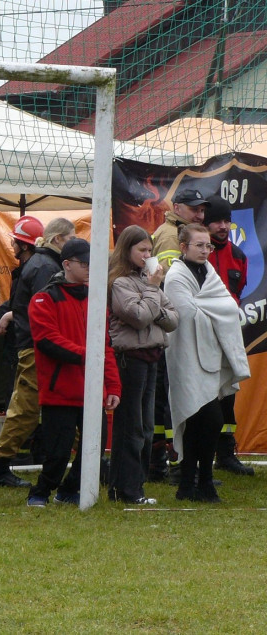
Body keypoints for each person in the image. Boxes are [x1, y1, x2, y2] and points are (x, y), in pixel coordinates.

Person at [26, 238, 121, 507]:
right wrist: (87, 355)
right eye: (84, 263)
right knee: (57, 452)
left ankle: (68, 490)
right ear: (67, 264)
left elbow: (106, 346)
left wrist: (113, 385)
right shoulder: (44, 298)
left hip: (93, 389)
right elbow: (47, 340)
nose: (90, 268)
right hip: (60, 391)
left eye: (93, 263)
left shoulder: (96, 299)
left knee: (95, 449)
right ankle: (41, 491)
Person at [164, 224, 250, 503]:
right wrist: (217, 315)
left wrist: (214, 312)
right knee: (202, 419)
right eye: (199, 245)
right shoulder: (176, 277)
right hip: (187, 357)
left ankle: (195, 484)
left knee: (205, 422)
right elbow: (188, 316)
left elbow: (227, 307)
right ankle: (197, 482)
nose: (205, 251)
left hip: (210, 358)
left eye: (208, 246)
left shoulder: (209, 272)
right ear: (183, 247)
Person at [0, 217, 75, 487]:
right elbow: (45, 310)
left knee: (49, 407)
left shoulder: (39, 264)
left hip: (36, 346)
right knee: (25, 409)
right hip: (38, 349)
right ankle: (0, 468)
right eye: (71, 239)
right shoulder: (46, 267)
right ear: (58, 239)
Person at [107, 225, 178, 505]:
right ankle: (127, 490)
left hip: (152, 356)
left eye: (150, 249)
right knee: (131, 426)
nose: (148, 255)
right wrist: (152, 291)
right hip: (130, 360)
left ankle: (132, 486)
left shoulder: (147, 282)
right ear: (127, 250)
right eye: (142, 250)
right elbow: (137, 317)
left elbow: (173, 319)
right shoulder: (120, 283)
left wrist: (151, 305)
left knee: (146, 427)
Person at [150, 188, 208, 482]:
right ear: (177, 207)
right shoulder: (172, 237)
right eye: (194, 208)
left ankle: (159, 463)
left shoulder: (176, 233)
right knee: (173, 396)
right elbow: (175, 289)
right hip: (172, 330)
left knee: (163, 397)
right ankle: (176, 465)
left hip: (167, 328)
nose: (199, 214)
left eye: (202, 209)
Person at [203, 195, 255, 476]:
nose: (223, 226)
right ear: (205, 223)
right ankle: (199, 456)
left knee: (229, 392)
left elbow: (239, 292)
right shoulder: (198, 254)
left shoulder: (239, 256)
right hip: (201, 333)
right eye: (217, 221)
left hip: (229, 333)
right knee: (204, 394)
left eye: (227, 221)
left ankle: (225, 454)